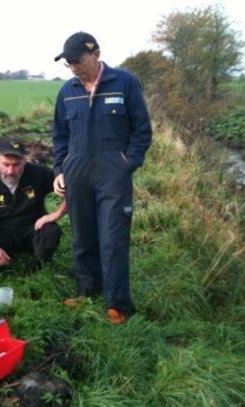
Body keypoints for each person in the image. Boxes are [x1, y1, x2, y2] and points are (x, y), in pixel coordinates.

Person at [52, 32, 152, 324]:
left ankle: (118, 304)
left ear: (95, 54)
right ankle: (87, 290)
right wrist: (60, 169)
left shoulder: (124, 83)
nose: (73, 67)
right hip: (77, 173)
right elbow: (59, 135)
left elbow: (142, 130)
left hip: (113, 175)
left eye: (77, 61)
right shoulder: (67, 91)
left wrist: (126, 163)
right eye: (68, 63)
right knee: (82, 236)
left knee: (113, 239)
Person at [0, 138, 67, 271]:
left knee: (51, 232)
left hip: (32, 228)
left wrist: (56, 214)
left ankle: (37, 266)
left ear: (24, 161)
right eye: (6, 164)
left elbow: (72, 189)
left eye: (16, 165)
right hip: (2, 232)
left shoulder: (39, 174)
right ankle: (3, 265)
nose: (10, 171)